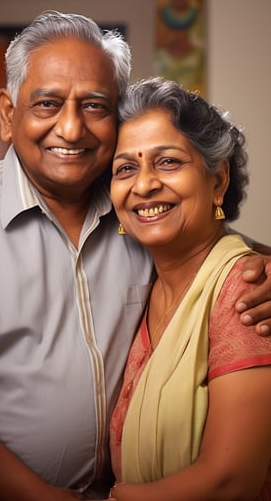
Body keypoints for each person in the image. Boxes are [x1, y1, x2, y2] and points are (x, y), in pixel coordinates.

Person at [0, 11, 270, 501]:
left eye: (94, 106)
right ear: (8, 114)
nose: (70, 129)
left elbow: (209, 249)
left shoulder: (135, 218)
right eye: (47, 104)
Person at [109, 77, 271, 500]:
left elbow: (230, 482)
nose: (143, 185)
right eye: (126, 168)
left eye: (168, 162)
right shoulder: (137, 284)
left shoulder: (247, 290)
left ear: (218, 181)